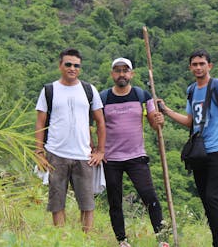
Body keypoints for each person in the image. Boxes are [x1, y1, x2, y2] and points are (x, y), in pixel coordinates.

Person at [158, 49, 218, 247]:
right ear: (190, 67)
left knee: (213, 198)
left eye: (202, 63)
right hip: (199, 152)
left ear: (209, 66)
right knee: (205, 199)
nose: (198, 67)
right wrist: (166, 111)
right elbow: (191, 121)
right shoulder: (192, 90)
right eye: (195, 64)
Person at [34, 48, 106, 232]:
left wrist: (100, 151)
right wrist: (39, 152)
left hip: (83, 154)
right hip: (55, 153)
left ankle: (86, 240)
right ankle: (61, 239)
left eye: (76, 65)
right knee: (57, 202)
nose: (72, 68)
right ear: (60, 66)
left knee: (87, 203)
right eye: (68, 64)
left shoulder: (89, 90)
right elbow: (40, 122)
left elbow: (100, 121)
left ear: (80, 68)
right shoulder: (49, 90)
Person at [101, 57, 168, 247]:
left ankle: (162, 239)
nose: (121, 74)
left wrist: (159, 120)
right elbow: (94, 125)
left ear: (132, 74)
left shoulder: (142, 95)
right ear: (112, 74)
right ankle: (122, 240)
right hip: (111, 159)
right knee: (115, 202)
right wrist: (96, 149)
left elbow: (155, 125)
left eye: (125, 70)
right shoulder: (103, 98)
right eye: (117, 70)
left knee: (150, 197)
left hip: (137, 157)